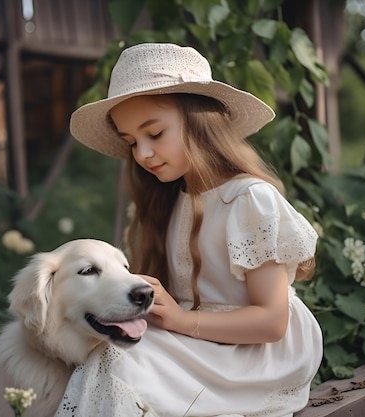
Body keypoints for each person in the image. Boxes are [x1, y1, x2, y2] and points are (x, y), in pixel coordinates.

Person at [54, 42, 323, 417]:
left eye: (155, 133)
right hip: (199, 338)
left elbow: (273, 321)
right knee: (103, 349)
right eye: (132, 142)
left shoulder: (248, 199)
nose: (143, 154)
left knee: (122, 364)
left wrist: (180, 320)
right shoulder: (168, 202)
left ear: (199, 121)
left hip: (257, 354)